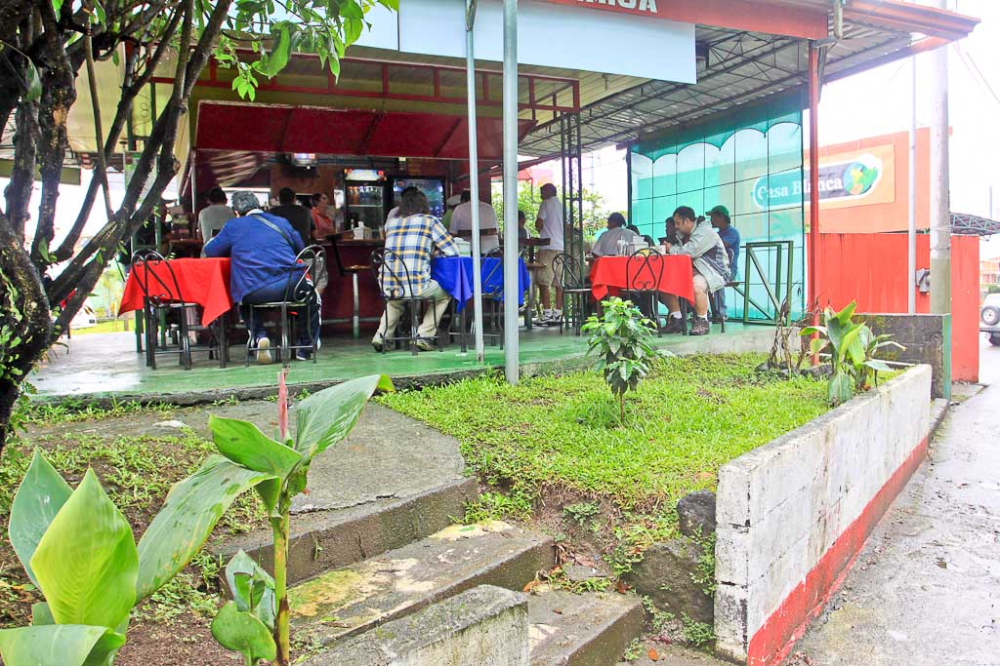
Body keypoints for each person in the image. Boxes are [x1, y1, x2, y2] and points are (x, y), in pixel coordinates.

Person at [204, 191, 320, 363]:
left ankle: (259, 337)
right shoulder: (281, 222)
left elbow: (211, 251)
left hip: (255, 291)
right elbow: (300, 247)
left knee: (244, 300)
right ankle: (305, 348)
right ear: (258, 206)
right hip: (291, 286)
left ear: (236, 212)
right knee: (311, 299)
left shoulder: (233, 226)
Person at [372, 187, 459, 352]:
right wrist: (432, 252)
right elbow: (452, 250)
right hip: (416, 284)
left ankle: (381, 336)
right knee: (445, 294)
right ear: (423, 205)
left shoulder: (391, 223)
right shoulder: (430, 221)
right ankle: (423, 336)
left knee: (395, 301)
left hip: (389, 284)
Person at [659, 206, 729, 336]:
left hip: (712, 270)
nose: (676, 226)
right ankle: (677, 319)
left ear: (686, 221)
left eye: (678, 223)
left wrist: (671, 249)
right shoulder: (683, 234)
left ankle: (703, 320)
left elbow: (689, 252)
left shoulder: (705, 231)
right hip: (691, 270)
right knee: (663, 283)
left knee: (696, 286)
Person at [534, 183, 564, 325]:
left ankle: (547, 313)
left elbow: (538, 224)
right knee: (559, 282)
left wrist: (540, 228)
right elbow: (569, 226)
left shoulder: (545, 204)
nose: (540, 195)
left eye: (542, 192)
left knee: (543, 281)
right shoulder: (564, 206)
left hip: (548, 246)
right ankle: (558, 313)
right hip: (561, 248)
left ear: (548, 192)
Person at [708, 205, 740, 321]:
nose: (711, 221)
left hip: (728, 271)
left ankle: (721, 312)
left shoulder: (732, 233)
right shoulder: (717, 234)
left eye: (713, 217)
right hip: (715, 269)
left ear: (721, 217)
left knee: (717, 279)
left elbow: (720, 247)